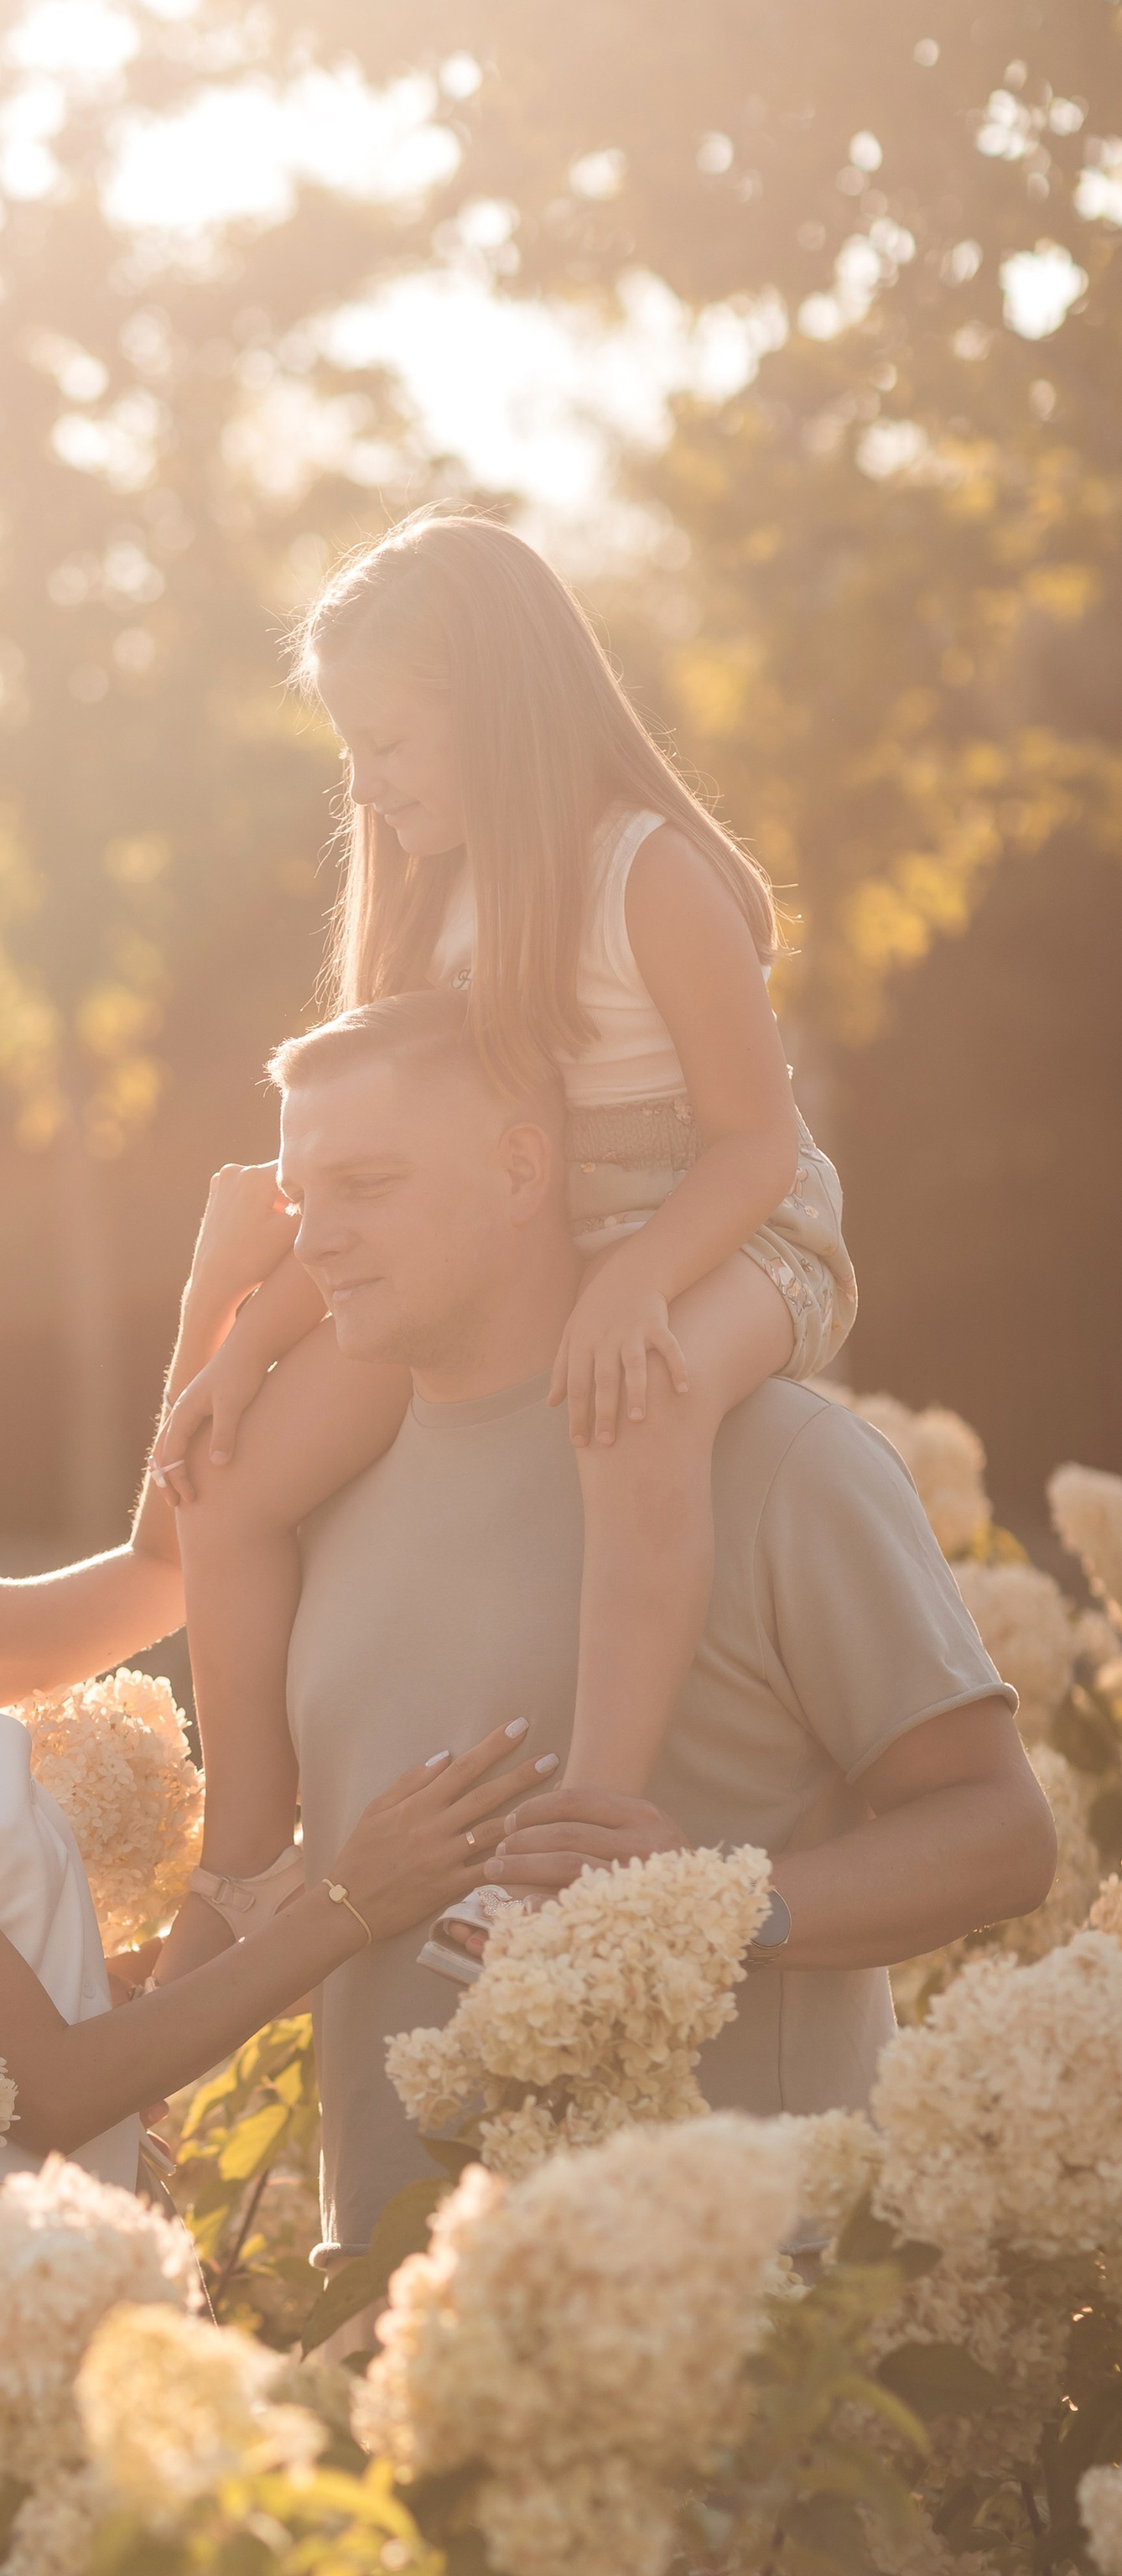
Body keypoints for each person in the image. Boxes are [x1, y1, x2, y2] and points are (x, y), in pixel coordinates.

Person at [153, 511, 860, 1975]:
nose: (368, 787)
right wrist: (245, 1352)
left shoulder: (647, 877)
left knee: (639, 1404)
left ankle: (577, 1838)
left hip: (734, 1242)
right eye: (352, 751)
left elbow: (757, 1144)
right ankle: (247, 1870)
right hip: (535, 1268)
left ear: (502, 713)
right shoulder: (439, 902)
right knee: (227, 1490)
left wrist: (642, 1284)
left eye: (392, 746)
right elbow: (372, 1193)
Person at [247, 991, 1056, 2266]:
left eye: (368, 1184)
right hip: (408, 2342)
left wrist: (714, 1909)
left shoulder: (781, 1460)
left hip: (733, 2336)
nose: (322, 1240)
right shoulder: (318, 1502)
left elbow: (1002, 1833)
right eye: (303, 1200)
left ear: (525, 1166)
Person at [0, 1236, 547, 2315]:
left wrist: (212, 1291)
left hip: (74, 2260)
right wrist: (347, 1902)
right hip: (1, 2311)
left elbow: (164, 1572)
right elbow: (47, 2091)